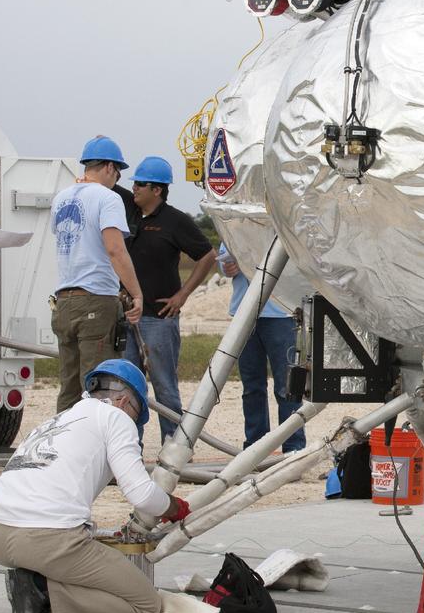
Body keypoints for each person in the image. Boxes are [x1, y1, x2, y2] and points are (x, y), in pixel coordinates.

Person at [0, 360, 190, 613]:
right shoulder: (116, 418)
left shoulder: (60, 418)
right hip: (42, 538)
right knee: (145, 607)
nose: (135, 423)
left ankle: (34, 577)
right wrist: (173, 507)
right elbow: (141, 494)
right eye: (137, 415)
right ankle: (41, 595)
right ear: (123, 401)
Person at [122, 156, 217, 441]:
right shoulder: (130, 216)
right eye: (134, 184)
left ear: (157, 190)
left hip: (158, 319)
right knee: (127, 385)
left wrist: (182, 295)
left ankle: (173, 444)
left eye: (141, 184)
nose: (135, 189)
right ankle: (129, 445)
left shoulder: (175, 221)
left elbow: (207, 255)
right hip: (127, 317)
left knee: (164, 386)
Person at [51, 136, 144, 412]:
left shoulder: (61, 198)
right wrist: (136, 293)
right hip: (95, 300)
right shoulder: (108, 198)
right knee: (98, 387)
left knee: (69, 388)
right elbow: (115, 250)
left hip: (64, 302)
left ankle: (64, 450)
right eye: (118, 171)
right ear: (108, 167)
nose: (117, 178)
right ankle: (95, 453)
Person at [218, 244, 304, 452]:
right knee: (252, 387)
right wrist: (227, 268)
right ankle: (255, 447)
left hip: (280, 314)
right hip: (244, 312)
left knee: (287, 387)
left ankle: (292, 448)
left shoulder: (280, 220)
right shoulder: (236, 219)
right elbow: (224, 260)